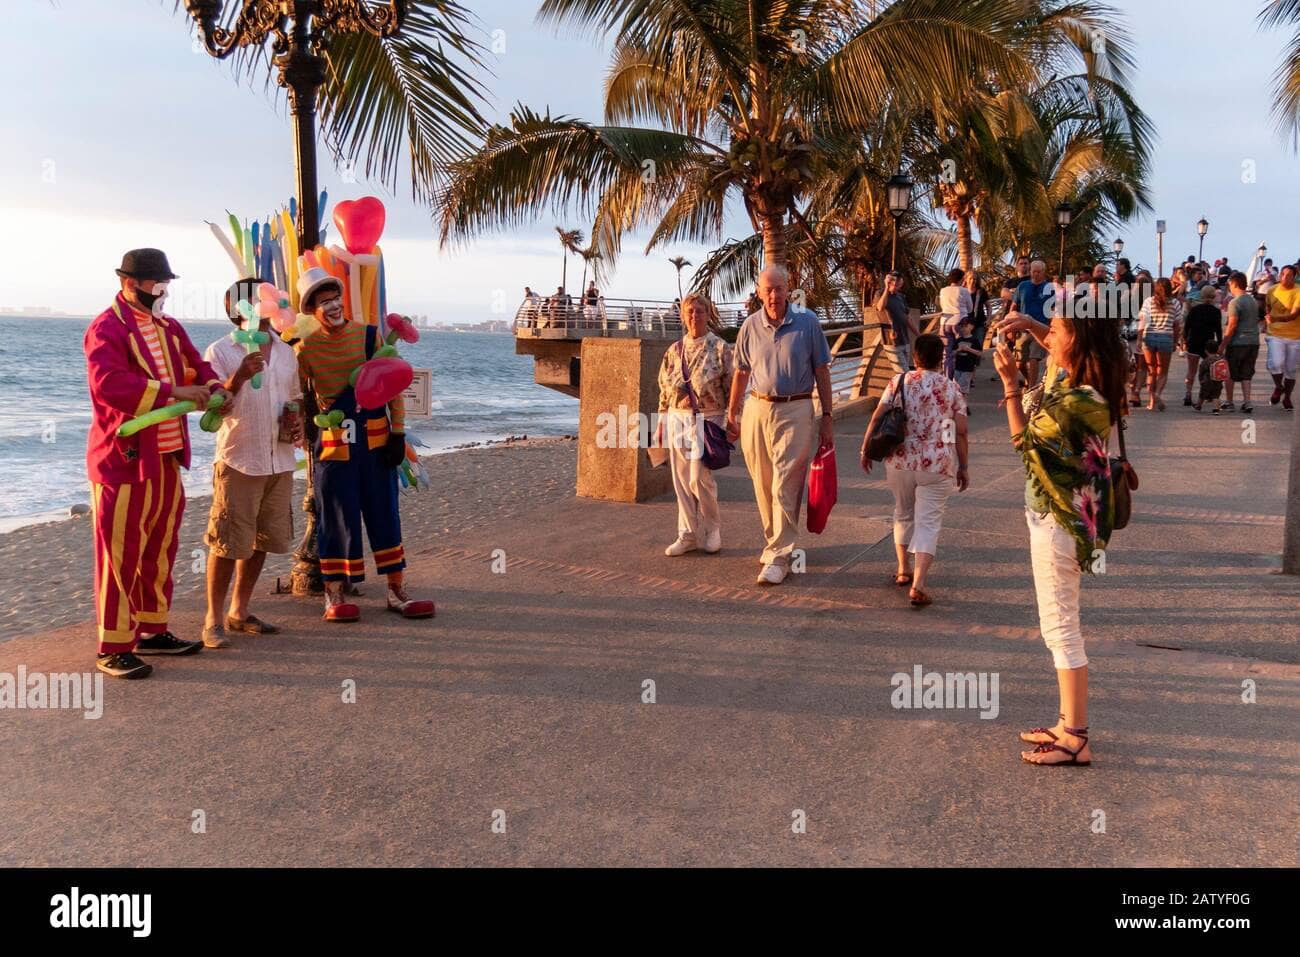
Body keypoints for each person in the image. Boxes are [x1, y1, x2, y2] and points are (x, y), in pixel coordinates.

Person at [84, 248, 233, 679]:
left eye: (166, 285)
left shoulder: (168, 328)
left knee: (159, 546)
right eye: (158, 286)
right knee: (119, 553)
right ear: (131, 283)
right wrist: (174, 392)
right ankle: (113, 645)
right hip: (123, 460)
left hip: (166, 456)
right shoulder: (107, 328)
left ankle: (152, 628)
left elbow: (196, 365)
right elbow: (110, 385)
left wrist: (211, 386)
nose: (163, 293)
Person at [991, 307, 1125, 767]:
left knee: (1061, 628)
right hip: (1059, 517)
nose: (1050, 338)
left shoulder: (1076, 401)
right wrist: (1030, 326)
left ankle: (1077, 738)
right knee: (1059, 625)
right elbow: (1056, 347)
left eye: (1059, 330)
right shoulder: (1080, 384)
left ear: (1077, 342)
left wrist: (1010, 385)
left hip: (1058, 521)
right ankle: (1068, 722)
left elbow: (1025, 447)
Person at [294, 267, 435, 622]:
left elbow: (391, 386)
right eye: (323, 302)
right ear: (312, 310)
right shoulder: (304, 350)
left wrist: (398, 433)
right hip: (334, 444)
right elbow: (297, 398)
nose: (332, 306)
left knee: (385, 513)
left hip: (376, 439)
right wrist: (298, 429)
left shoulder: (370, 336)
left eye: (335, 298)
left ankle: (396, 590)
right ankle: (334, 594)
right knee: (335, 519)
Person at [200, 278, 304, 649]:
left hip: (278, 460)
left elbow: (293, 399)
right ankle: (213, 618)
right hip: (240, 459)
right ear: (240, 309)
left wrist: (295, 421)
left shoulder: (285, 350)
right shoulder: (221, 351)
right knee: (227, 542)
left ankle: (239, 611)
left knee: (261, 541)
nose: (271, 301)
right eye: (263, 297)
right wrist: (239, 375)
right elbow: (213, 407)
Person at [726, 265, 834, 586]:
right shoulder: (749, 326)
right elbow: (741, 373)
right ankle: (775, 539)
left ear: (789, 289)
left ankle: (779, 555)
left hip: (797, 408)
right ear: (759, 292)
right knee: (762, 483)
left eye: (779, 289)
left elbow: (822, 371)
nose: (774, 295)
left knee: (786, 484)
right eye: (768, 289)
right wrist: (732, 413)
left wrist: (827, 416)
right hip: (757, 408)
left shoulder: (808, 322)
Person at [860, 333, 968, 607]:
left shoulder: (898, 382)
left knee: (903, 513)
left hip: (900, 461)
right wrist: (963, 466)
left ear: (915, 357)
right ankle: (918, 584)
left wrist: (865, 449)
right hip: (938, 463)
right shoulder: (951, 388)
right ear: (940, 358)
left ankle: (902, 569)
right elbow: (961, 432)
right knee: (928, 522)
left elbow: (877, 416)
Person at [658, 294, 734, 557]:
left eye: (700, 311)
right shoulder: (674, 350)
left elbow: (733, 386)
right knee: (680, 481)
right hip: (677, 417)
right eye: (690, 311)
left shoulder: (720, 347)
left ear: (708, 314)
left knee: (698, 478)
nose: (694, 316)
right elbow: (663, 388)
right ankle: (687, 534)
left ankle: (713, 530)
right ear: (683, 316)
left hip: (708, 418)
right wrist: (661, 423)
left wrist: (733, 420)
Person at [1137, 277, 1183, 411]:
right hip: (1166, 337)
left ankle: (1151, 402)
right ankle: (1157, 394)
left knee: (1151, 371)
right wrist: (1175, 342)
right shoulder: (1175, 303)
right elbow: (1176, 325)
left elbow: (1142, 321)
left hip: (1149, 336)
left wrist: (1139, 339)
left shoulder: (1148, 302)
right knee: (1162, 371)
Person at [1011, 259, 1054, 388]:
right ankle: (1029, 380)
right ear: (1030, 271)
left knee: (1034, 359)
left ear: (1043, 272)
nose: (1036, 274)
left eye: (1039, 272)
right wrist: (1011, 327)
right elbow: (1014, 306)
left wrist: (1052, 328)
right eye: (1034, 271)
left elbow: (1054, 309)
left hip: (1041, 327)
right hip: (1022, 328)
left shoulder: (1050, 288)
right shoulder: (1023, 286)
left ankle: (1031, 388)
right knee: (1019, 363)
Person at [1221, 271, 1260, 413]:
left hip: (1238, 342)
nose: (1229, 287)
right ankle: (1247, 401)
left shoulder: (1234, 302)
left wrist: (1223, 344)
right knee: (1246, 373)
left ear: (1234, 283)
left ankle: (1229, 401)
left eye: (1229, 284)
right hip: (1253, 341)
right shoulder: (1253, 301)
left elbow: (1232, 325)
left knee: (1230, 372)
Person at [1263, 263, 1300, 410]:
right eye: (1282, 274)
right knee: (1276, 364)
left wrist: (1275, 318)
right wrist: (1267, 317)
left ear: (1295, 277)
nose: (1284, 278)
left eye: (1289, 275)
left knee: (1290, 369)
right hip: (1275, 334)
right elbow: (1267, 306)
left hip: (1294, 335)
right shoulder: (1272, 290)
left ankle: (1288, 398)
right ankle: (1279, 386)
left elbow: (1294, 314)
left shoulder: (1298, 292)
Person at [1180, 284, 1222, 406]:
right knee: (1209, 371)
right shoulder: (1216, 312)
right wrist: (1219, 345)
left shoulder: (1194, 310)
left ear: (1201, 295)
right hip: (1208, 344)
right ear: (1214, 296)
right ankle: (1209, 393)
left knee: (1191, 370)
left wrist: (1185, 340)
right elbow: (1218, 330)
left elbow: (1187, 327)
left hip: (1194, 341)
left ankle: (1188, 394)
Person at [875, 271, 917, 370]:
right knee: (903, 373)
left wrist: (918, 334)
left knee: (905, 371)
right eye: (894, 283)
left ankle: (899, 386)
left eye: (899, 284)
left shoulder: (901, 296)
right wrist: (886, 288)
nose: (896, 286)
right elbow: (880, 307)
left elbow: (907, 318)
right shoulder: (880, 294)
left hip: (905, 340)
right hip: (891, 340)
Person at [938, 268, 972, 378]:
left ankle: (947, 378)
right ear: (961, 279)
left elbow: (942, 305)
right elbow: (970, 308)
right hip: (960, 321)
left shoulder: (943, 290)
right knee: (962, 352)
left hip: (945, 323)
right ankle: (959, 379)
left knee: (946, 354)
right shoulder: (964, 291)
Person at [952, 317, 981, 405]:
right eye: (962, 326)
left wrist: (969, 349)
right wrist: (958, 350)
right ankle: (960, 405)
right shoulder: (959, 340)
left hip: (968, 368)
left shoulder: (974, 340)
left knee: (963, 388)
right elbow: (953, 352)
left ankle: (963, 406)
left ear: (971, 327)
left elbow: (979, 353)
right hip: (958, 367)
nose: (963, 328)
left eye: (966, 326)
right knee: (956, 386)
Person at [1194, 339, 1225, 413]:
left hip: (1207, 381)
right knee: (1216, 395)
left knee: (1202, 394)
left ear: (1206, 350)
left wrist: (1201, 380)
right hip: (1218, 381)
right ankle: (1216, 409)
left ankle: (1198, 405)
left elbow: (1202, 371)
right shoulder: (1220, 359)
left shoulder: (1206, 360)